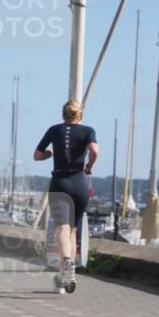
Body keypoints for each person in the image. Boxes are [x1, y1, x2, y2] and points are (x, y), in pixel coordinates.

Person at [34, 99, 98, 293]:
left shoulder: (54, 130)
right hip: (79, 183)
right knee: (72, 230)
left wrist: (51, 153)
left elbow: (37, 155)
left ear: (63, 114)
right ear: (80, 115)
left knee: (61, 228)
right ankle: (65, 276)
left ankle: (66, 263)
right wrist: (89, 166)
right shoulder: (88, 130)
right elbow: (94, 150)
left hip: (60, 182)